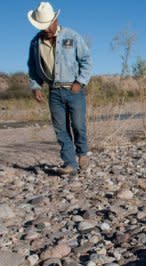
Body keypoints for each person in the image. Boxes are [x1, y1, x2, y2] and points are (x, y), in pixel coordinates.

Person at [27, 2, 92, 175]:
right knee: (61, 129)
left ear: (56, 20)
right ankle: (70, 163)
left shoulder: (71, 36)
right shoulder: (35, 43)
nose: (47, 29)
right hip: (54, 91)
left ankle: (83, 153)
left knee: (78, 125)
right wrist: (35, 87)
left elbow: (86, 60)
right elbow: (33, 68)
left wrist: (80, 82)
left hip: (74, 89)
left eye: (48, 25)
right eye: (43, 27)